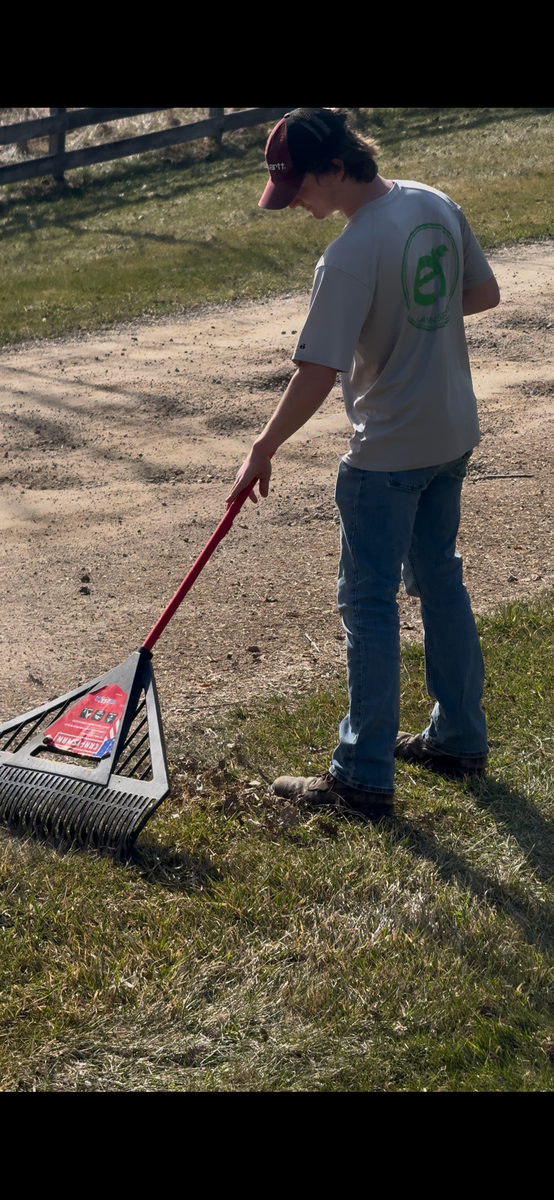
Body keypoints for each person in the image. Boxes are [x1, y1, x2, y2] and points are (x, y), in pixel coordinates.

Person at [225, 108, 500, 822]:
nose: (296, 204)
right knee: (440, 580)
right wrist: (415, 322)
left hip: (386, 455)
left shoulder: (348, 254)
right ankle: (460, 739)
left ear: (337, 167)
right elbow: (482, 292)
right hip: (450, 432)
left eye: (299, 188)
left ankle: (362, 777)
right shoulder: (433, 203)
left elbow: (318, 371)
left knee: (368, 604)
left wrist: (263, 447)